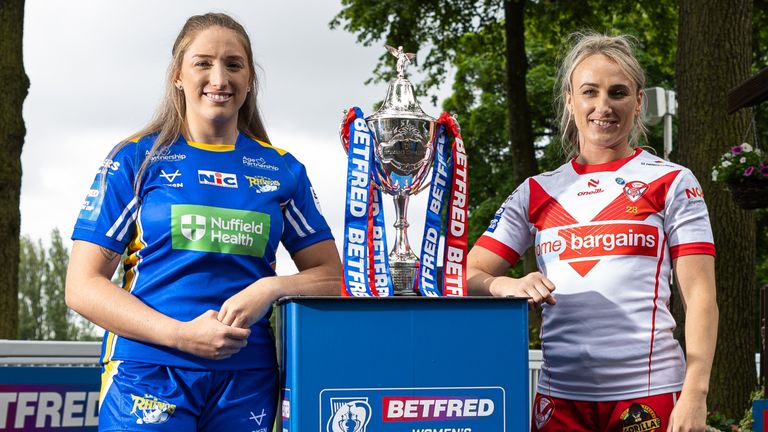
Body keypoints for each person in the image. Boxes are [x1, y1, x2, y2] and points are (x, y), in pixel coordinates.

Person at [65, 13, 341, 430]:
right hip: (148, 373)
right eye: (202, 63)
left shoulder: (283, 170)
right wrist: (179, 335)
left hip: (247, 380)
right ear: (177, 75)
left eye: (234, 64)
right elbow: (82, 287)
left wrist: (271, 288)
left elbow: (335, 278)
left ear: (250, 79)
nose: (219, 78)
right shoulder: (135, 160)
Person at [467, 33, 717, 432]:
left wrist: (695, 394)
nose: (604, 107)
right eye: (590, 92)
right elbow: (468, 273)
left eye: (618, 93)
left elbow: (701, 296)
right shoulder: (536, 191)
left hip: (648, 397)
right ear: (570, 99)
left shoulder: (671, 181)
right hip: (559, 401)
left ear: (638, 101)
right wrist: (506, 285)